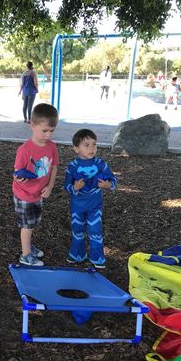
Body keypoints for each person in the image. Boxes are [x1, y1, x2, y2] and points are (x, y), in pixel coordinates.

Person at [12, 103, 59, 266]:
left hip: (38, 193)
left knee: (32, 223)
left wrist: (50, 186)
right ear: (32, 125)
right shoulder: (25, 150)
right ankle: (25, 255)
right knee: (27, 225)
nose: (48, 135)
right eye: (44, 131)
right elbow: (17, 173)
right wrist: (20, 178)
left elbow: (53, 167)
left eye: (52, 131)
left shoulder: (52, 146)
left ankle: (28, 247)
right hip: (24, 194)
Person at [63, 129, 117, 269]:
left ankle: (97, 257)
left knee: (95, 230)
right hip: (77, 207)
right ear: (76, 148)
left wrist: (108, 184)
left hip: (94, 205)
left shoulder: (100, 164)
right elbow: (66, 185)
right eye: (86, 145)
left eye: (94, 144)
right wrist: (74, 187)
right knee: (77, 229)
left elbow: (113, 179)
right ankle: (78, 255)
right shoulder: (72, 167)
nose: (91, 148)